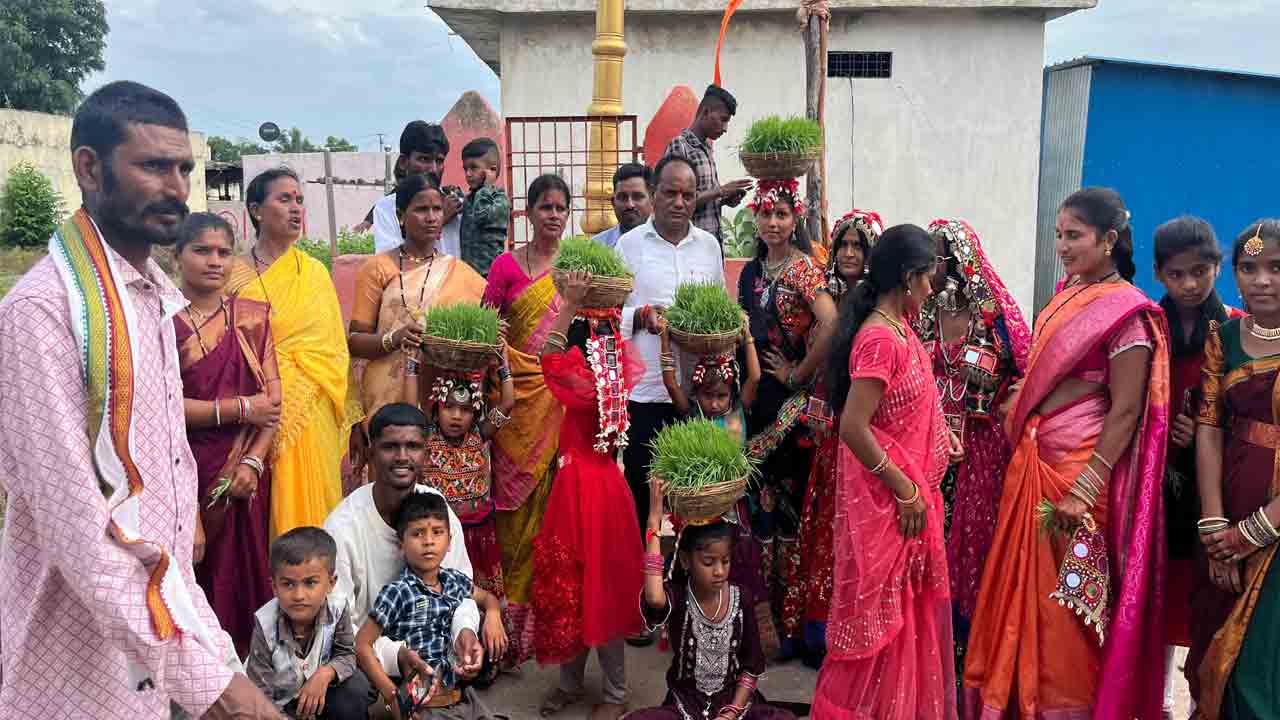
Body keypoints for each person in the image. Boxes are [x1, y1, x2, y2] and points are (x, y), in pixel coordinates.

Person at [0, 80, 277, 717]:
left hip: (150, 636)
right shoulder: (46, 312)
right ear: (89, 168)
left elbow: (163, 476)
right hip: (73, 661)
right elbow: (82, 531)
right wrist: (217, 688)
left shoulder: (150, 300)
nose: (177, 186)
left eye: (184, 168)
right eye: (153, 165)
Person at [964, 187, 1169, 720]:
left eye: (1074, 236)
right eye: (1059, 234)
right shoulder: (1065, 293)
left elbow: (1125, 411)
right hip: (1036, 456)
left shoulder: (1128, 313)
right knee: (1025, 595)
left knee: (1066, 606)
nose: (1062, 245)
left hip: (1077, 472)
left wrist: (1086, 487)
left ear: (1108, 241)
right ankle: (1016, 701)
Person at [811, 224, 959, 720]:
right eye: (930, 277)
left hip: (905, 502)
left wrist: (941, 438)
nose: (933, 286)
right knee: (879, 629)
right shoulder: (879, 338)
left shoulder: (900, 327)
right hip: (888, 505)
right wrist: (904, 489)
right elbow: (853, 427)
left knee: (906, 622)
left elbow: (904, 410)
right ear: (910, 277)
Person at [912, 218, 1030, 683]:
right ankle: (930, 639)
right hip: (931, 437)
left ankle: (972, 644)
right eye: (929, 260)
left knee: (974, 540)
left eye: (939, 258)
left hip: (980, 446)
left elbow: (1024, 368)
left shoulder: (992, 315)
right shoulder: (921, 310)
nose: (933, 269)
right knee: (931, 534)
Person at [532, 271, 645, 720]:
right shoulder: (615, 369)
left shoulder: (587, 378)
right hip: (597, 487)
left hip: (585, 489)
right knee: (582, 586)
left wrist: (566, 306)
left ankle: (614, 693)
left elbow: (548, 361)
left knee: (593, 586)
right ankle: (577, 684)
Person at [736, 177, 838, 650]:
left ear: (795, 219)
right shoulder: (750, 273)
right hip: (757, 404)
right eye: (766, 213)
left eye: (782, 214)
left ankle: (793, 626)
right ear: (755, 217)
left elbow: (832, 322)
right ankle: (762, 623)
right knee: (760, 513)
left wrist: (799, 372)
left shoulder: (803, 271)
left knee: (790, 518)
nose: (773, 223)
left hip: (792, 411)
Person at [175, 212, 283, 657]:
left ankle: (246, 671)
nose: (214, 261)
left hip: (245, 475)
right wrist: (241, 408)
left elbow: (272, 406)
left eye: (223, 252)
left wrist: (255, 462)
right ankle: (195, 672)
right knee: (190, 575)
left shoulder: (251, 318)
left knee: (244, 574)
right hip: (183, 467)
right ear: (176, 255)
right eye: (201, 250)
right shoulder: (161, 321)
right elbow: (160, 410)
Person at [323, 403, 488, 687]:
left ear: (426, 452)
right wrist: (395, 654)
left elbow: (460, 587)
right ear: (371, 451)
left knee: (482, 634)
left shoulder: (436, 508)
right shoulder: (343, 527)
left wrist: (465, 631)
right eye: (390, 447)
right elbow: (339, 625)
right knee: (350, 696)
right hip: (370, 653)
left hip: (431, 642)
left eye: (412, 446)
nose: (402, 457)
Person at [780, 209, 882, 667]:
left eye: (858, 246)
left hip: (862, 433)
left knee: (854, 526)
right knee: (823, 523)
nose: (848, 253)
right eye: (842, 245)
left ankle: (850, 631)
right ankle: (816, 628)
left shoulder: (879, 305)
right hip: (824, 432)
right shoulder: (826, 294)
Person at [227, 167, 352, 537]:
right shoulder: (232, 275)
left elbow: (334, 352)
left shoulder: (313, 273)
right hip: (251, 408)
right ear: (256, 210)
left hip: (309, 413)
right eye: (284, 199)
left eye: (299, 200)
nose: (296, 208)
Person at [1150, 217, 1241, 713]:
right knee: (1159, 587)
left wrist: (1209, 432)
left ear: (1217, 267)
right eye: (1177, 274)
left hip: (1217, 483)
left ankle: (1202, 700)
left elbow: (1251, 409)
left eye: (1200, 271)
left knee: (1209, 590)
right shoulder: (1149, 324)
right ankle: (1159, 697)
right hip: (1158, 480)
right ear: (1159, 273)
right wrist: (1164, 429)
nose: (1189, 284)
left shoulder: (1234, 325)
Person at [1190, 219, 1280, 720]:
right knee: (1218, 663)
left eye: (1276, 268)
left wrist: (1258, 530)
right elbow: (1209, 428)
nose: (1261, 279)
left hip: (1273, 529)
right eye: (1249, 268)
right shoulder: (1223, 338)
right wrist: (1214, 524)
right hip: (1228, 512)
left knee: (1262, 670)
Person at [482, 173, 570, 665]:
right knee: (509, 514)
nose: (553, 215)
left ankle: (535, 635)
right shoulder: (506, 265)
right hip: (512, 400)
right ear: (529, 212)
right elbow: (487, 324)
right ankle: (502, 634)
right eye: (545, 207)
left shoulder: (576, 268)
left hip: (555, 405)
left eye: (560, 207)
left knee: (546, 517)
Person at [347, 172, 486, 474]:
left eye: (437, 209)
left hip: (439, 405)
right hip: (383, 404)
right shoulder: (377, 269)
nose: (432, 217)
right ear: (400, 216)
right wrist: (393, 339)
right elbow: (355, 340)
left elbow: (483, 327)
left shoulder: (460, 273)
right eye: (421, 210)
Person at [616, 155, 727, 533]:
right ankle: (644, 587)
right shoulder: (629, 247)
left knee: (695, 502)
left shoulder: (709, 247)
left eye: (688, 195)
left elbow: (722, 313)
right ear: (653, 194)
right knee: (643, 498)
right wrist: (640, 317)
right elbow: (605, 318)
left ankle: (684, 587)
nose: (680, 202)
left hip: (697, 398)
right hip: (645, 396)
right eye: (670, 193)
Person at [631, 479, 795, 720]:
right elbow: (654, 598)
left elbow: (751, 669)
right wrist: (653, 523)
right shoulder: (679, 597)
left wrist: (730, 714)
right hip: (685, 705)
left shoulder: (742, 599)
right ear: (686, 562)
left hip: (733, 705)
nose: (719, 571)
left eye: (725, 561)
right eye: (709, 562)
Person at [357, 492, 506, 720]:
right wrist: (391, 695)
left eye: (437, 532)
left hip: (464, 697)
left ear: (449, 542)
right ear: (401, 544)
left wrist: (494, 615)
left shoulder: (454, 581)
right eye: (418, 533)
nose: (428, 541)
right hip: (422, 707)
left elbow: (487, 598)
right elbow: (362, 644)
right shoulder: (398, 592)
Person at [401, 347, 516, 600]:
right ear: (436, 409)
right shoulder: (427, 435)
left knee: (480, 599)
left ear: (474, 412)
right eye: (449, 407)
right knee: (443, 597)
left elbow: (508, 403)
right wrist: (412, 364)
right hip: (443, 534)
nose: (456, 416)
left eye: (465, 410)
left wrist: (504, 363)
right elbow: (409, 407)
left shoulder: (480, 433)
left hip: (479, 532)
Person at [246, 527, 372, 719]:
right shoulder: (265, 625)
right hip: (281, 706)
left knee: (357, 685)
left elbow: (347, 654)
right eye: (288, 584)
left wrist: (325, 673)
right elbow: (260, 693)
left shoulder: (337, 609)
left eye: (310, 583)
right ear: (274, 587)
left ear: (331, 583)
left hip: (321, 696)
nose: (298, 595)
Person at [663, 85, 753, 244]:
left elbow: (703, 198)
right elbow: (677, 201)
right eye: (723, 119)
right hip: (690, 245)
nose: (725, 128)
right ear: (705, 112)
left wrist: (725, 199)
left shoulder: (707, 148)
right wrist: (721, 191)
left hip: (713, 243)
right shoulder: (680, 146)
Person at [373, 121, 461, 257]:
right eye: (424, 159)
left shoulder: (456, 205)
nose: (433, 169)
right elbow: (390, 263)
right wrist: (440, 221)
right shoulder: (387, 208)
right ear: (403, 162)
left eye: (439, 161)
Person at [459, 137, 511, 277]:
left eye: (474, 167)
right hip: (468, 276)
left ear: (492, 170)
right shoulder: (471, 198)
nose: (468, 174)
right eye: (465, 169)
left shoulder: (500, 200)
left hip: (490, 276)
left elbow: (482, 215)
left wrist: (486, 187)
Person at [593, 163, 654, 249]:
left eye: (637, 197)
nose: (630, 205)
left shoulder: (666, 244)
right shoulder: (597, 246)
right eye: (622, 197)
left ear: (652, 200)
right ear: (613, 202)